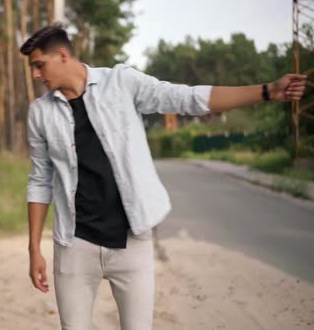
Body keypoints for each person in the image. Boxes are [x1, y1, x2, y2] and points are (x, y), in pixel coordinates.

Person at [20, 25, 306, 330]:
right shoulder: (40, 113)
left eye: (40, 65)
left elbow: (187, 99)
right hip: (75, 244)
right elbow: (40, 179)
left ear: (62, 55)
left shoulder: (121, 82)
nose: (37, 75)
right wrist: (34, 249)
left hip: (132, 242)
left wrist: (267, 91)